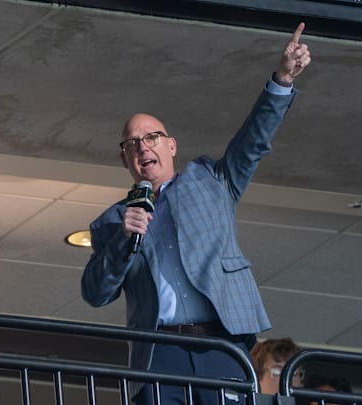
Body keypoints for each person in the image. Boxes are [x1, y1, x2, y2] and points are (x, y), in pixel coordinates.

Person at [81, 22, 311, 405]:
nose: (143, 147)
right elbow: (95, 293)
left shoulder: (212, 181)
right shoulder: (112, 221)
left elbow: (253, 141)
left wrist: (282, 79)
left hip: (222, 342)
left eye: (151, 137)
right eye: (132, 143)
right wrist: (123, 239)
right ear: (125, 158)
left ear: (171, 146)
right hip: (159, 351)